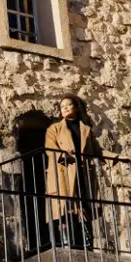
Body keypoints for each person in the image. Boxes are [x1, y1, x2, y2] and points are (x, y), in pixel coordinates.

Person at [43, 94, 101, 250]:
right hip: (63, 174)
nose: (65, 108)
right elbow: (50, 149)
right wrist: (64, 155)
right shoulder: (54, 129)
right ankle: (68, 248)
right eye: (62, 107)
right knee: (65, 212)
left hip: (81, 175)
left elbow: (98, 151)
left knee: (83, 212)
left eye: (68, 105)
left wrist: (118, 157)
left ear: (76, 107)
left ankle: (86, 249)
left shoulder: (86, 130)